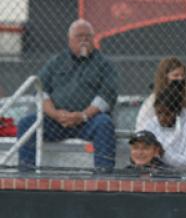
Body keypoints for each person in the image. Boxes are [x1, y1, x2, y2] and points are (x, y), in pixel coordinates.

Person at [17, 19, 118, 171]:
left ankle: (103, 176)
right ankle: (26, 174)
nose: (84, 40)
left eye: (88, 36)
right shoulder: (56, 61)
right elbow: (40, 92)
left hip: (88, 121)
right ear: (70, 40)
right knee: (26, 123)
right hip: (57, 122)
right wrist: (56, 114)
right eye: (79, 36)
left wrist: (82, 115)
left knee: (105, 124)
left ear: (93, 39)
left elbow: (107, 96)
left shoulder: (104, 64)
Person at [136, 56, 186, 137]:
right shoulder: (152, 100)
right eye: (176, 76)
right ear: (164, 77)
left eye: (183, 75)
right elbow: (141, 127)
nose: (180, 79)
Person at [142, 80, 186, 168]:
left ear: (177, 112)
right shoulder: (151, 125)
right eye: (159, 113)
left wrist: (164, 153)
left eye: (167, 114)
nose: (162, 118)